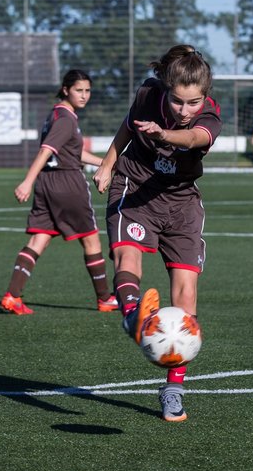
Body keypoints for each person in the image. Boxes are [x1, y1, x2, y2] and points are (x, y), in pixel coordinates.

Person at [93, 44, 220, 423]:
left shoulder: (210, 115)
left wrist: (165, 133)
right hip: (135, 187)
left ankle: (173, 388)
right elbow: (128, 126)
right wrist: (106, 165)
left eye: (193, 102)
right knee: (126, 254)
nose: (185, 110)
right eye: (178, 101)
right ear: (166, 90)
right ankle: (132, 315)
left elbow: (194, 139)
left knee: (186, 294)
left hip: (181, 201)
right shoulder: (148, 93)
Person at [0, 69, 118, 316]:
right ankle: (105, 298)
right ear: (66, 90)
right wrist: (26, 181)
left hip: (47, 184)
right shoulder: (66, 119)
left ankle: (13, 296)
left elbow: (71, 152)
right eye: (79, 90)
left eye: (87, 90)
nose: (84, 95)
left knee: (39, 239)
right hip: (67, 183)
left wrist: (107, 164)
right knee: (91, 239)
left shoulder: (56, 115)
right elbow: (46, 151)